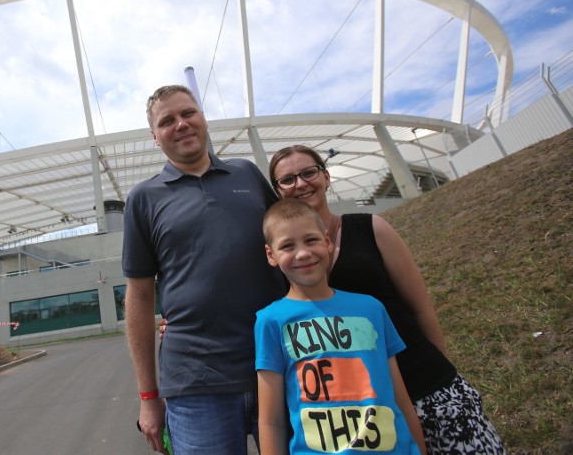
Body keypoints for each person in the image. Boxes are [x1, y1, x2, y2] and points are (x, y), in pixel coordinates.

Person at [268, 144, 506, 454]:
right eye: (287, 179)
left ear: (326, 177)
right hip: (366, 413)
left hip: (427, 386)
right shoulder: (287, 262)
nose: (300, 184)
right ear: (277, 191)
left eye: (308, 172)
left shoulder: (371, 228)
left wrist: (441, 374)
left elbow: (420, 307)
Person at [123, 84, 285, 455]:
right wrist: (149, 396)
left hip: (278, 365)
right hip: (196, 384)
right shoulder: (143, 199)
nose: (181, 124)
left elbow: (292, 239)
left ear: (203, 117)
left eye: (188, 113)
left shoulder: (247, 175)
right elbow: (140, 296)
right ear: (154, 136)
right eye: (167, 121)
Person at [255, 198, 426, 454]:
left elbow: (401, 400)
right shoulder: (270, 320)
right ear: (271, 255)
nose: (302, 253)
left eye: (311, 240)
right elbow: (271, 421)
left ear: (327, 240)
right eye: (288, 245)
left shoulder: (371, 309)